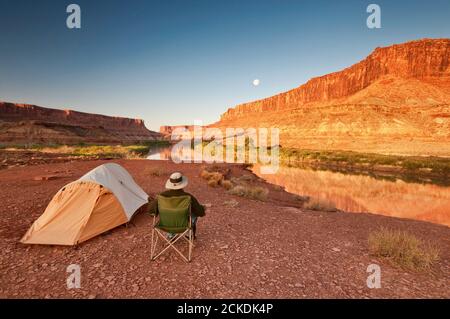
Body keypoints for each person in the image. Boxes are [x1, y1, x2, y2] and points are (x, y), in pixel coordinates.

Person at [148, 172, 205, 239]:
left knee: (169, 213)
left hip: (164, 225)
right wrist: (203, 208)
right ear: (182, 184)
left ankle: (170, 235)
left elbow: (151, 211)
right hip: (184, 226)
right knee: (194, 213)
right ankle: (188, 234)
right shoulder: (188, 197)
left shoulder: (161, 197)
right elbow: (200, 212)